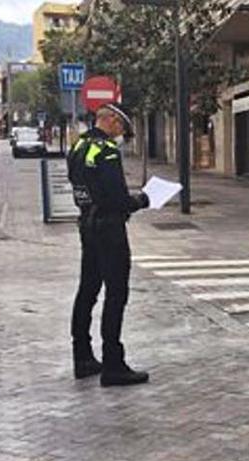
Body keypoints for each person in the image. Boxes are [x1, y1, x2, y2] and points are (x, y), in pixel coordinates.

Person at [68, 103, 151, 386]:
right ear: (112, 120)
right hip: (109, 229)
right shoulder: (106, 151)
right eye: (121, 127)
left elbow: (78, 185)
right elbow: (116, 198)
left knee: (87, 291)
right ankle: (113, 364)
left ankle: (82, 356)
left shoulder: (78, 146)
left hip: (87, 226)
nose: (120, 133)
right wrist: (142, 200)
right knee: (116, 293)